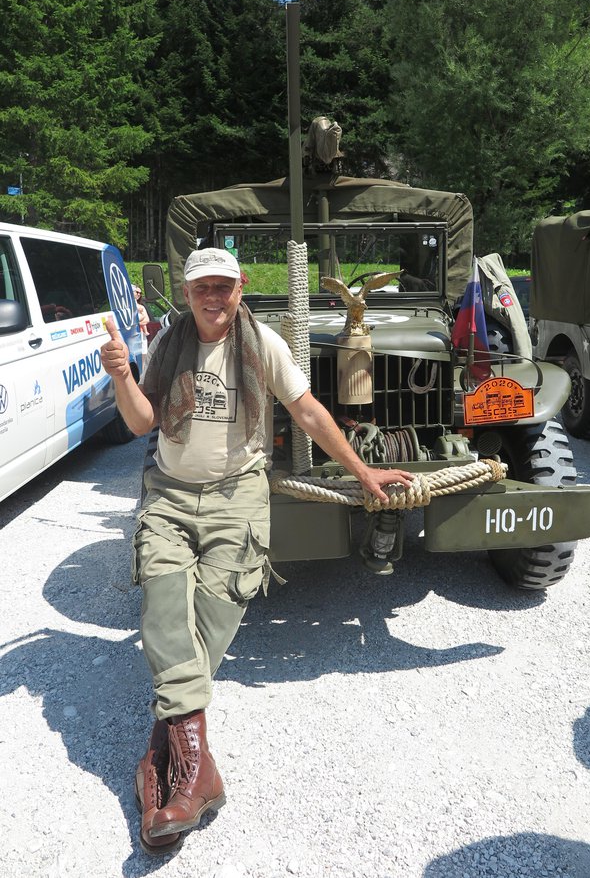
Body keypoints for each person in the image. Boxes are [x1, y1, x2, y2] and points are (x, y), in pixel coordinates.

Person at [100, 247, 412, 854]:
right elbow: (141, 423)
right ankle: (195, 776)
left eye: (223, 286)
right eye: (200, 289)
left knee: (211, 624)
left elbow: (309, 411)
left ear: (241, 286)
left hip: (237, 497)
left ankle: (162, 751)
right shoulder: (166, 344)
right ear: (186, 293)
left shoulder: (262, 341)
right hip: (168, 495)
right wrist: (120, 376)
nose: (212, 299)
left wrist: (363, 473)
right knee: (165, 609)